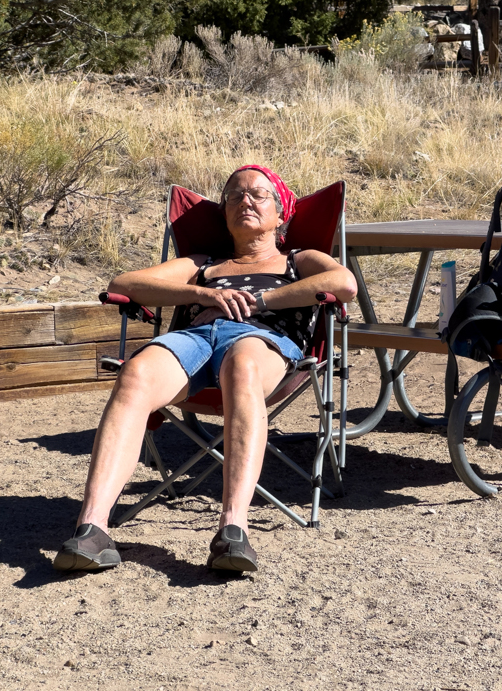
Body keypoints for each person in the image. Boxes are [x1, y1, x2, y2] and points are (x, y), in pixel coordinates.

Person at [52, 165, 357, 574]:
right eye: (234, 195)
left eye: (258, 194)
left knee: (243, 366)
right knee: (135, 374)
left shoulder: (296, 259)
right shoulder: (204, 263)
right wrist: (201, 291)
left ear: (282, 212)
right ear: (223, 211)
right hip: (195, 339)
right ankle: (93, 527)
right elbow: (124, 282)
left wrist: (260, 302)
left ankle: (233, 529)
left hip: (260, 340)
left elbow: (344, 284)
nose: (245, 201)